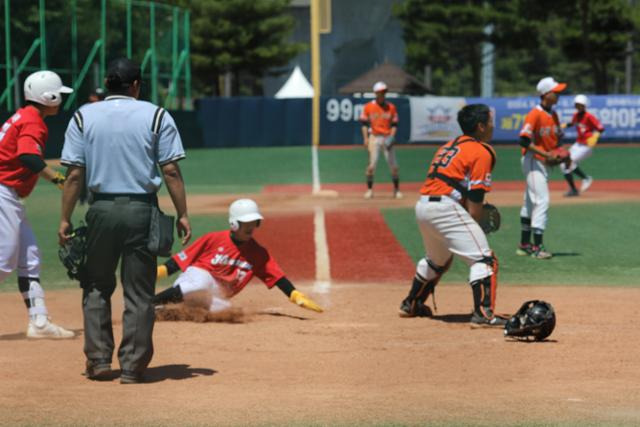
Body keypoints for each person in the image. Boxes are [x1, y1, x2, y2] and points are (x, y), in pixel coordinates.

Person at [58, 57, 192, 384]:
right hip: (141, 211)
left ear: (108, 84)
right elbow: (170, 170)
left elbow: (74, 175)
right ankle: (132, 367)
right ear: (136, 85)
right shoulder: (156, 115)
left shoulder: (82, 116)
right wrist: (183, 213)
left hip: (100, 210)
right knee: (139, 293)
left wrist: (65, 218)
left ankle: (100, 360)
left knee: (96, 286)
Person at [398, 104, 506, 328]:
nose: (493, 126)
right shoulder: (482, 151)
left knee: (437, 261)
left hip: (424, 206)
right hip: (445, 208)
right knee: (484, 259)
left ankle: (412, 304)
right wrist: (473, 224)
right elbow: (476, 196)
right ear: (480, 126)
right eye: (490, 121)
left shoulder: (449, 146)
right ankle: (483, 314)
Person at [0, 70, 75, 339]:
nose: (62, 100)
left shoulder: (25, 115)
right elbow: (28, 156)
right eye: (59, 96)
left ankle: (39, 322)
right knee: (4, 262)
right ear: (49, 97)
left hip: (9, 194)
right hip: (2, 192)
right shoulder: (34, 121)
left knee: (30, 257)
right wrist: (57, 179)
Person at [152, 198, 323, 315]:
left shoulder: (258, 254)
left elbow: (278, 278)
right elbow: (180, 260)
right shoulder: (214, 238)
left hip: (215, 293)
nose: (250, 227)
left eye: (253, 222)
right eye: (245, 222)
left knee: (226, 310)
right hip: (196, 278)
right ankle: (150, 302)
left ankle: (165, 310)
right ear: (234, 223)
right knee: (201, 284)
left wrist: (295, 295)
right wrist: (157, 273)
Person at [516, 77, 567, 260]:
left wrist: (562, 155)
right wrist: (547, 155)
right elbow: (523, 140)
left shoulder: (553, 115)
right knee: (541, 201)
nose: (559, 94)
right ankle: (537, 248)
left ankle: (524, 245)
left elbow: (558, 140)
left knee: (530, 201)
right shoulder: (534, 114)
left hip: (542, 163)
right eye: (556, 91)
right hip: (533, 161)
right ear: (546, 94)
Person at [359, 81, 401, 199]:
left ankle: (396, 190)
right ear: (376, 93)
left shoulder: (391, 107)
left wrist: (392, 136)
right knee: (371, 166)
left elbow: (394, 124)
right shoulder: (368, 106)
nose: (383, 94)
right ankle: (369, 190)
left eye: (384, 92)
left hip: (387, 137)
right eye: (380, 92)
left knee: (394, 166)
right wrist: (366, 138)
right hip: (374, 137)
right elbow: (363, 124)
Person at [560, 94, 604, 196]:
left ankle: (586, 178)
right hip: (578, 144)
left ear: (584, 105)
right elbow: (573, 123)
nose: (578, 106)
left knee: (569, 162)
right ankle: (573, 189)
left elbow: (600, 128)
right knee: (563, 163)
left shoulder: (589, 116)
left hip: (586, 145)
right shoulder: (576, 115)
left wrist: (595, 136)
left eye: (580, 105)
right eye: (577, 105)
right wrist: (564, 125)